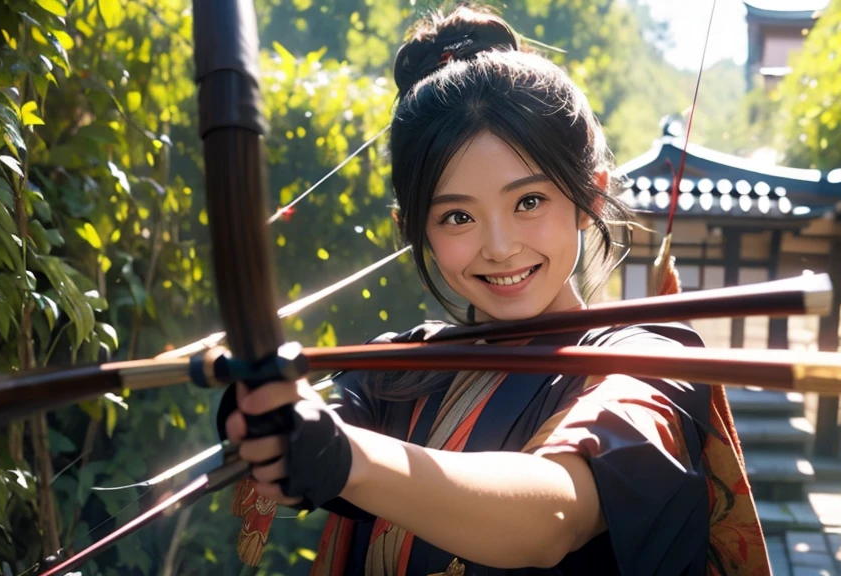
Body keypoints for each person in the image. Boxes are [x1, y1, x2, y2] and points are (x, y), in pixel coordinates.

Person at [218, 6, 769, 575]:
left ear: (591, 197)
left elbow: (553, 517)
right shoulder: (396, 371)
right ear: (414, 227)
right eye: (457, 217)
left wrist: (347, 458)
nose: (500, 247)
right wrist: (268, 420)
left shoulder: (645, 363)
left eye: (529, 202)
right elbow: (317, 428)